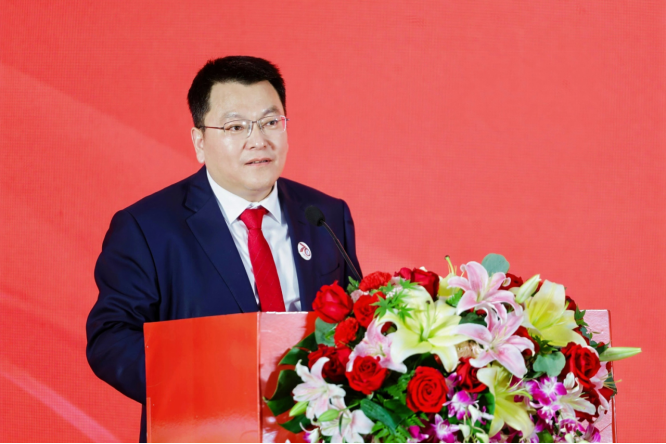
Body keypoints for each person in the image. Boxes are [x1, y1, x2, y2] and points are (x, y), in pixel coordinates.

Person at [86, 56, 361, 442]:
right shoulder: (147, 227)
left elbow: (354, 322)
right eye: (236, 127)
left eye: (270, 122)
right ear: (200, 142)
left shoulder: (325, 214)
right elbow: (111, 340)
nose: (258, 140)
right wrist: (204, 382)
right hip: (204, 430)